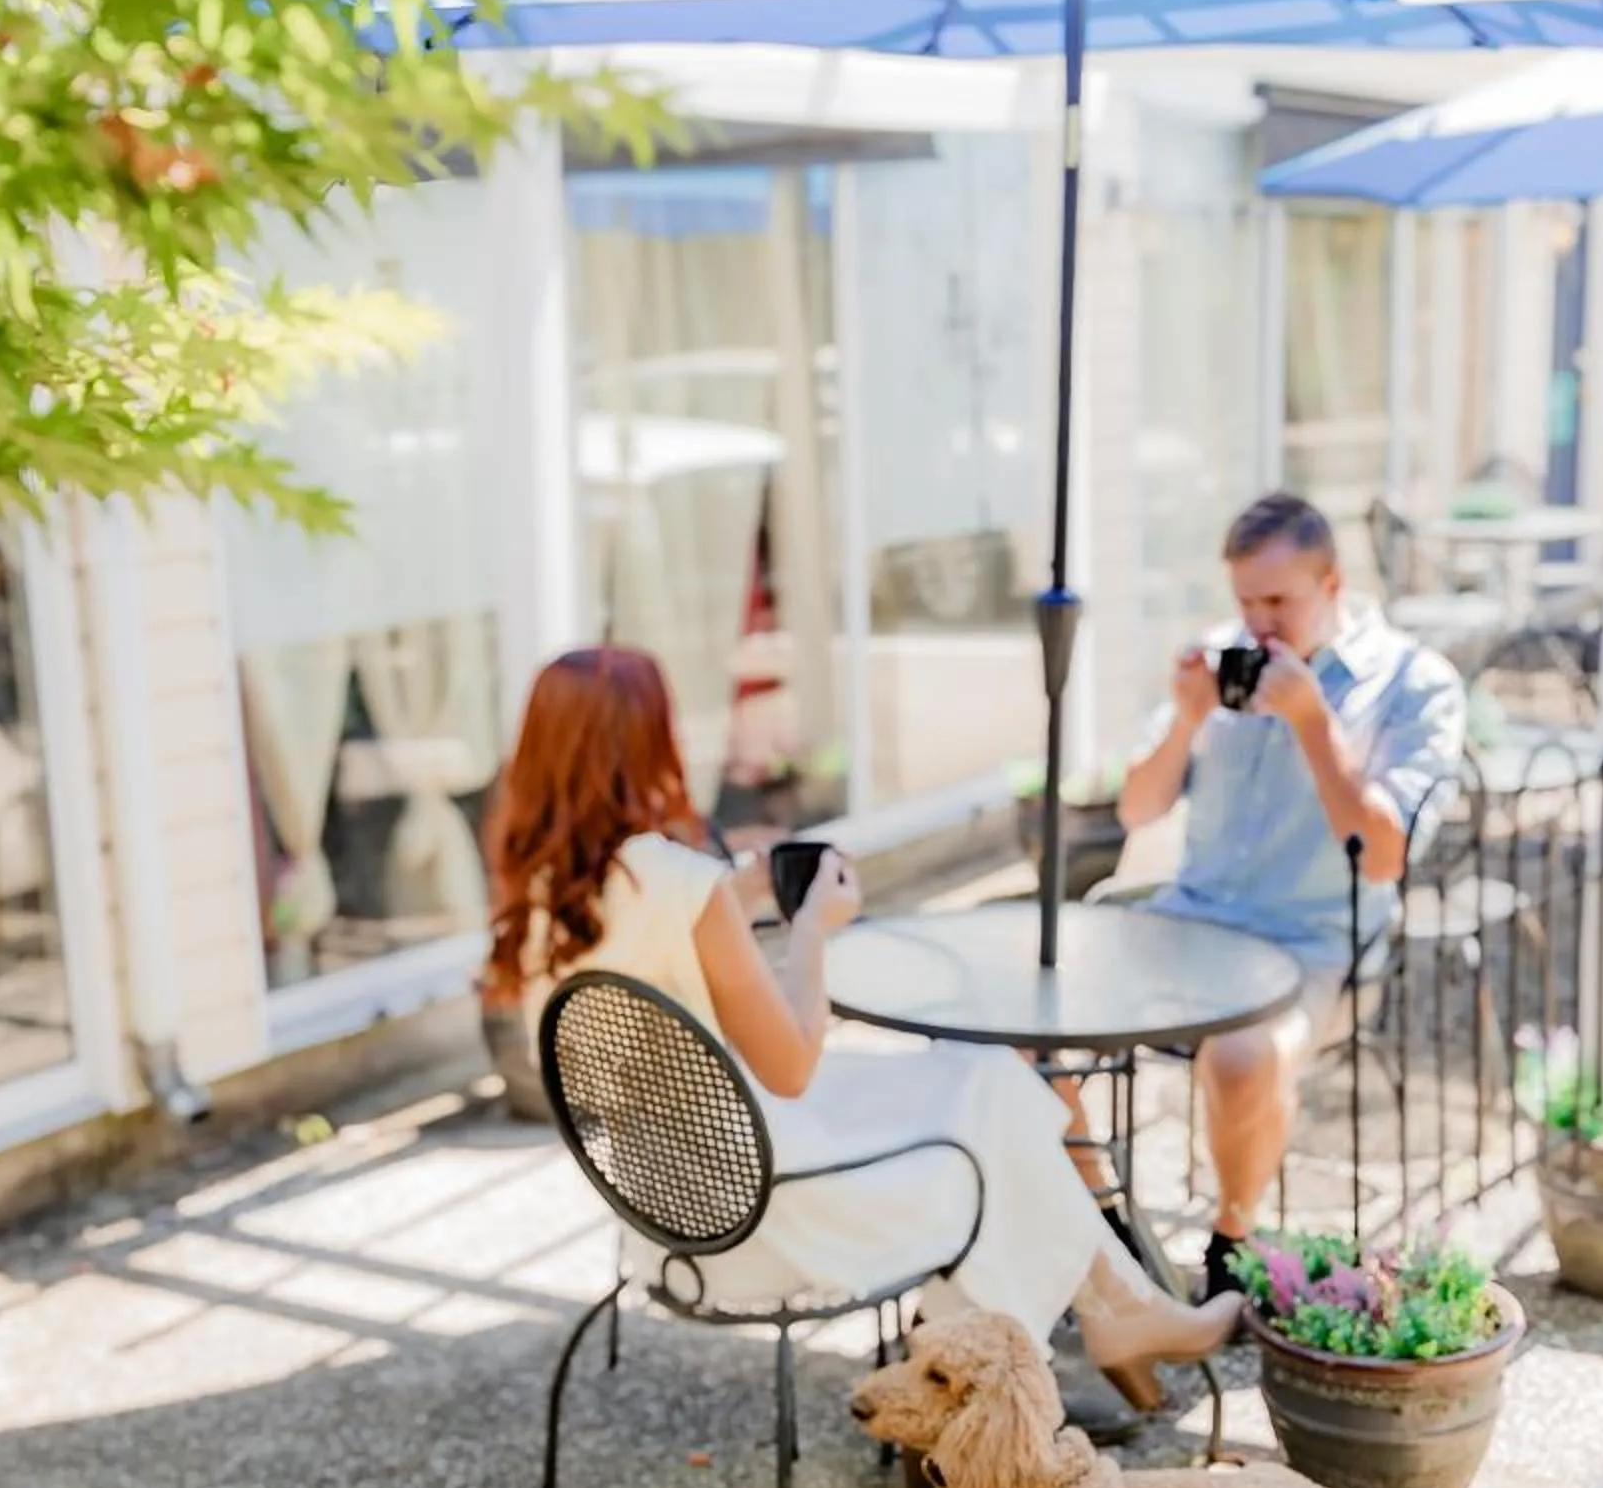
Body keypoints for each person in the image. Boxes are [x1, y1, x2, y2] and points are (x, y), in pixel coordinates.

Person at [484, 648, 1239, 1405]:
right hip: (771, 1210)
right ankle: (1054, 1348)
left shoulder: (543, 887)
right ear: (651, 743)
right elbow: (790, 1067)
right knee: (990, 1127)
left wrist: (737, 896)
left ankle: (1108, 1314)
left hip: (666, 1205)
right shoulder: (681, 885)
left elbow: (661, 958)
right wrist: (812, 927)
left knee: (985, 1082)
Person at [1117, 491, 1464, 1298]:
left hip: (1312, 944)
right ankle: (1105, 1227)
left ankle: (1230, 1242)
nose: (1258, 625)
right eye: (1244, 602)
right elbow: (1135, 809)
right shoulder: (1218, 655)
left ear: (1333, 582)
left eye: (1278, 601)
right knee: (1036, 1028)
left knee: (1240, 1057)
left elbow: (1384, 857)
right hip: (1190, 924)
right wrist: (1184, 720)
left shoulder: (1413, 685)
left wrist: (1315, 723)